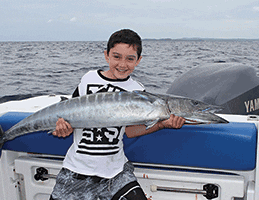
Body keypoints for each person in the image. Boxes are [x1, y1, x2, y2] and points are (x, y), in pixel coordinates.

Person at [50, 29, 185, 200]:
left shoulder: (138, 90)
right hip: (76, 169)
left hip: (115, 171)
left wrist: (161, 124)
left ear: (139, 60)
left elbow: (130, 131)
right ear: (106, 55)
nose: (122, 64)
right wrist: (61, 128)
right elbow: (69, 115)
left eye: (130, 59)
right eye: (116, 56)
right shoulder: (88, 79)